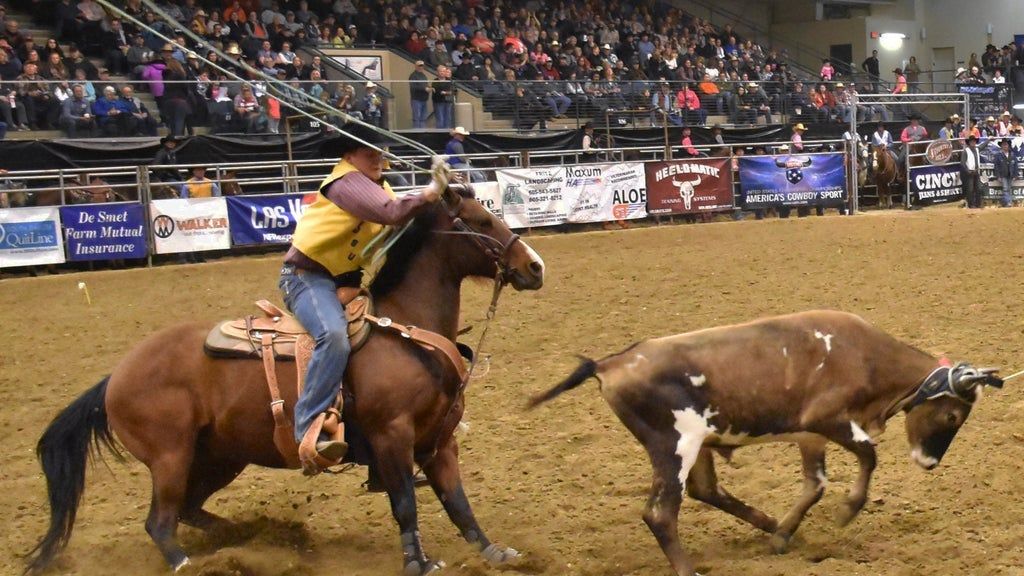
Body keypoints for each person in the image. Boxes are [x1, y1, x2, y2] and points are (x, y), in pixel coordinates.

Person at [279, 122, 448, 474]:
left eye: (380, 152)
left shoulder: (377, 185)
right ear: (349, 155)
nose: (377, 158)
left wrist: (444, 194)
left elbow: (398, 217)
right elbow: (391, 212)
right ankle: (306, 426)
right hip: (306, 278)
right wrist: (431, 192)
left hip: (344, 281)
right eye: (368, 152)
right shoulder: (346, 183)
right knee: (333, 336)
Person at [992, 138, 1017, 207]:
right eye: (1004, 145)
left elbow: (1015, 165)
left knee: (1009, 188)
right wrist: (998, 176)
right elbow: (996, 166)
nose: (1005, 146)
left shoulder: (1012, 155)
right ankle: (1008, 202)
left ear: (1008, 146)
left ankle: (1006, 202)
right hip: (1002, 175)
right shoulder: (998, 155)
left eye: (1006, 144)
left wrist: (1015, 175)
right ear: (1001, 146)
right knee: (1005, 188)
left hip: (1010, 174)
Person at [961, 134, 982, 209]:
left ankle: (978, 204)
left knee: (978, 188)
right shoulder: (965, 151)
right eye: (971, 142)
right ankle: (971, 204)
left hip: (976, 171)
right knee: (970, 189)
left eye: (974, 141)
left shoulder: (977, 149)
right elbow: (963, 163)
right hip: (970, 172)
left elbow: (983, 146)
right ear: (969, 143)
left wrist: (989, 140)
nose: (973, 143)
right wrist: (967, 171)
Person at [408, 59, 429, 129]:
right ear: (416, 66)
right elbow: (413, 87)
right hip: (416, 99)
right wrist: (424, 89)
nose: (421, 67)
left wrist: (429, 88)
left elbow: (426, 85)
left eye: (422, 66)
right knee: (417, 118)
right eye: (419, 66)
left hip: (424, 99)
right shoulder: (413, 76)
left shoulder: (423, 75)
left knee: (423, 118)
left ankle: (422, 132)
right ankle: (416, 132)